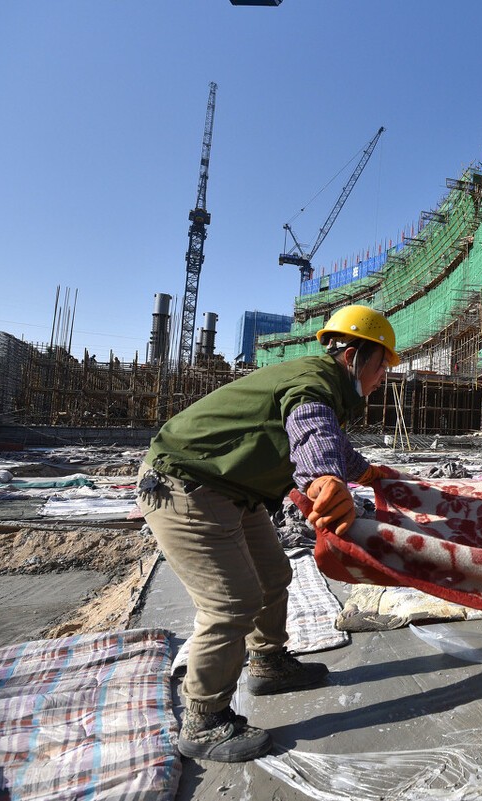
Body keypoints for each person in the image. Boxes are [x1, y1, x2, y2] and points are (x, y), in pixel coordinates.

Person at [136, 304, 398, 762]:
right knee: (230, 602)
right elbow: (309, 424)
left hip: (232, 489)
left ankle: (268, 662)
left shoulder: (324, 383)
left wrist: (369, 473)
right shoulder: (315, 382)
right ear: (356, 355)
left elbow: (328, 436)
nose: (382, 379)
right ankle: (204, 719)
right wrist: (322, 477)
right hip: (185, 485)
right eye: (382, 367)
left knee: (274, 576)